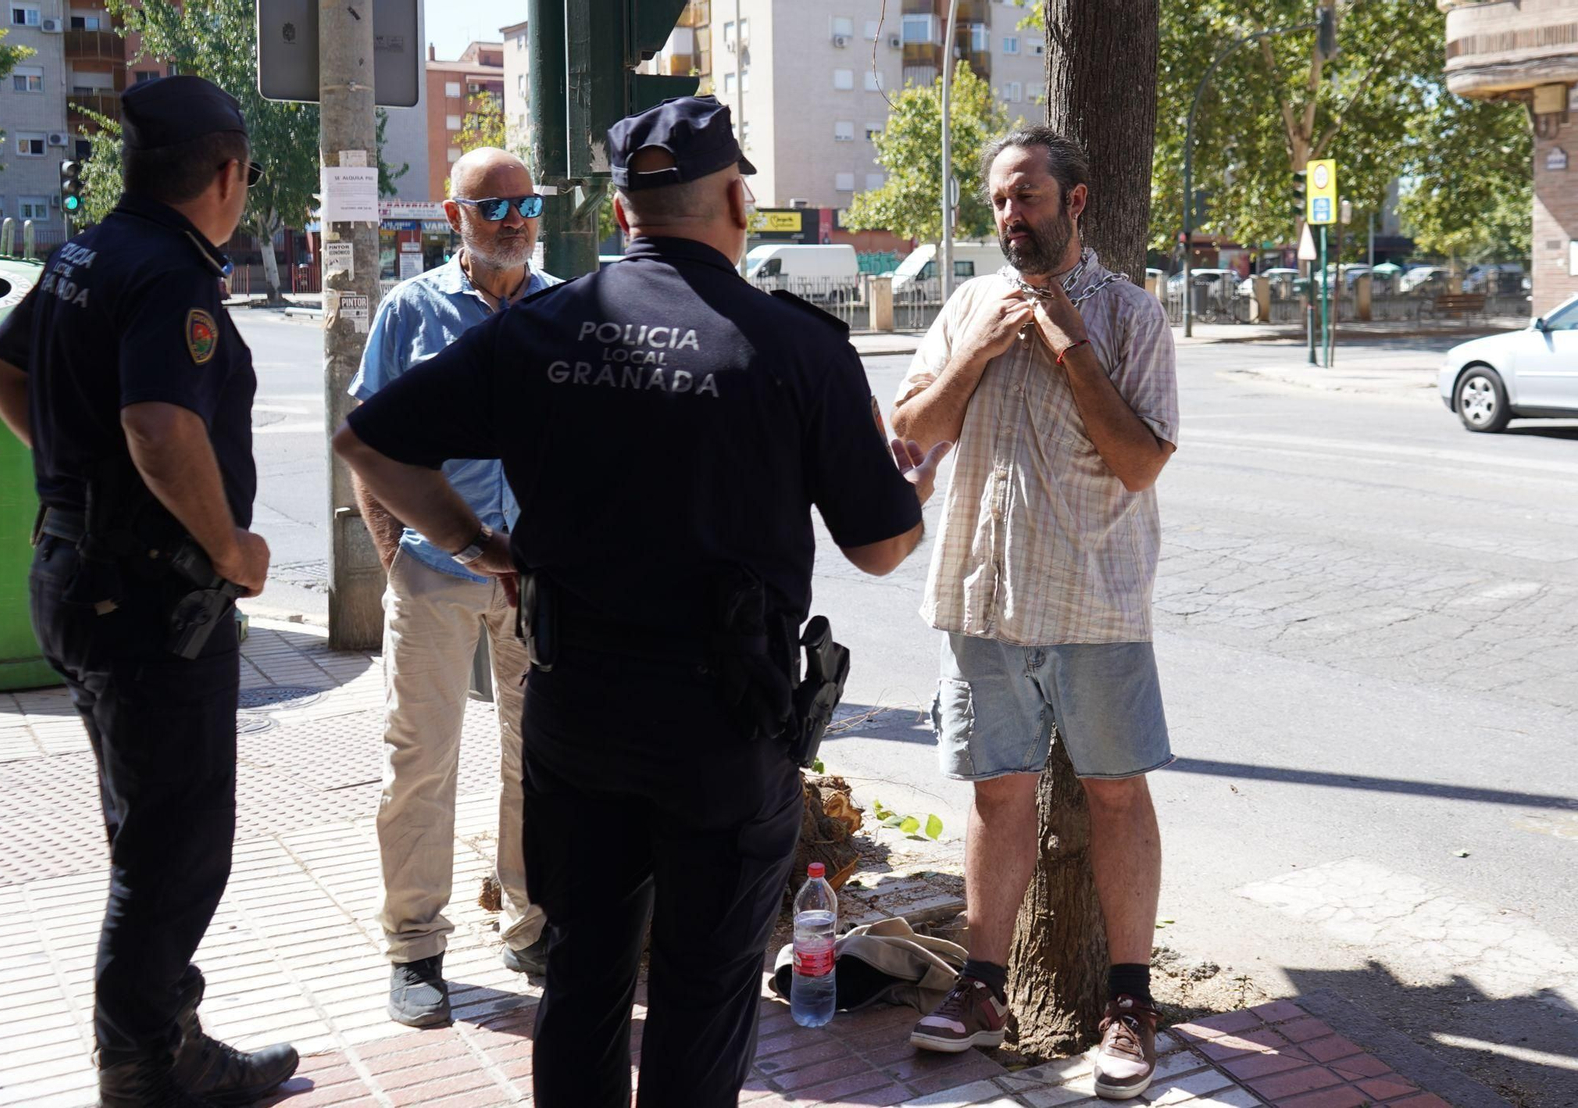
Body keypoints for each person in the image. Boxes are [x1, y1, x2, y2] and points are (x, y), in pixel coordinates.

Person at [333, 95, 946, 1107]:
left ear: (619, 214)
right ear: (738, 201)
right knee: (704, 995)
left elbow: (370, 442)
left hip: (577, 711)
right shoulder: (796, 346)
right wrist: (911, 488)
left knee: (581, 980)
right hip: (722, 724)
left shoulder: (542, 327)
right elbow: (880, 546)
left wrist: (474, 543)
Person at [0, 75, 298, 1106]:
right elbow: (160, 427)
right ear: (227, 173)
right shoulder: (172, 274)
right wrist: (232, 546)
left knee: (144, 830)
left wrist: (85, 485)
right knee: (174, 855)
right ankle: (144, 1068)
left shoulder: (85, 251)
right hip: (153, 602)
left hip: (77, 576)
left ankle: (169, 1035)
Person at [892, 124, 1179, 1101]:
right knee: (996, 793)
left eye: (1027, 197)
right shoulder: (968, 304)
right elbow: (910, 433)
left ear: (1076, 200)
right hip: (981, 594)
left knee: (1114, 793)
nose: (1011, 216)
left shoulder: (1133, 315)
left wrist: (1069, 351)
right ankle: (983, 987)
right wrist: (971, 353)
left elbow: (1141, 464)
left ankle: (1127, 1002)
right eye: (1001, 201)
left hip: (1096, 600)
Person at [349, 147, 559, 1028]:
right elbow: (368, 433)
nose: (513, 219)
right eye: (493, 206)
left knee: (539, 761)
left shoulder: (563, 307)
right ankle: (415, 948)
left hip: (537, 581)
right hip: (435, 576)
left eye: (525, 202)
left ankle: (531, 924)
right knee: (422, 761)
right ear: (453, 217)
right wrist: (393, 548)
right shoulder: (411, 310)